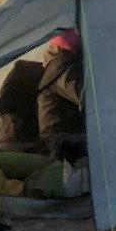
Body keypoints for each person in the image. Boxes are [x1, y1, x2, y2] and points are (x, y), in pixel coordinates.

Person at [37, 27, 86, 160]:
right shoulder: (61, 67)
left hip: (69, 137)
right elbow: (93, 98)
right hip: (60, 146)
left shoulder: (64, 60)